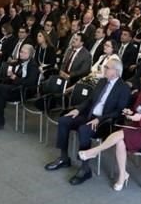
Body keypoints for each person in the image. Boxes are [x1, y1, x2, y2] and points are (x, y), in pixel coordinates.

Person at [76, 71, 141, 191]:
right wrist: (130, 112)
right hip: (135, 128)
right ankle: (122, 175)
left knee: (120, 135)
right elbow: (136, 110)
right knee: (120, 141)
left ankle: (94, 151)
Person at [44, 57, 131, 185]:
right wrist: (78, 110)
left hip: (105, 122)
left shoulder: (123, 88)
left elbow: (119, 111)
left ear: (116, 72)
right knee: (64, 120)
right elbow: (90, 100)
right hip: (89, 115)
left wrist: (99, 119)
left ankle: (85, 169)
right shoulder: (102, 81)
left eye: (107, 68)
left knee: (84, 130)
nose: (104, 69)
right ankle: (63, 158)